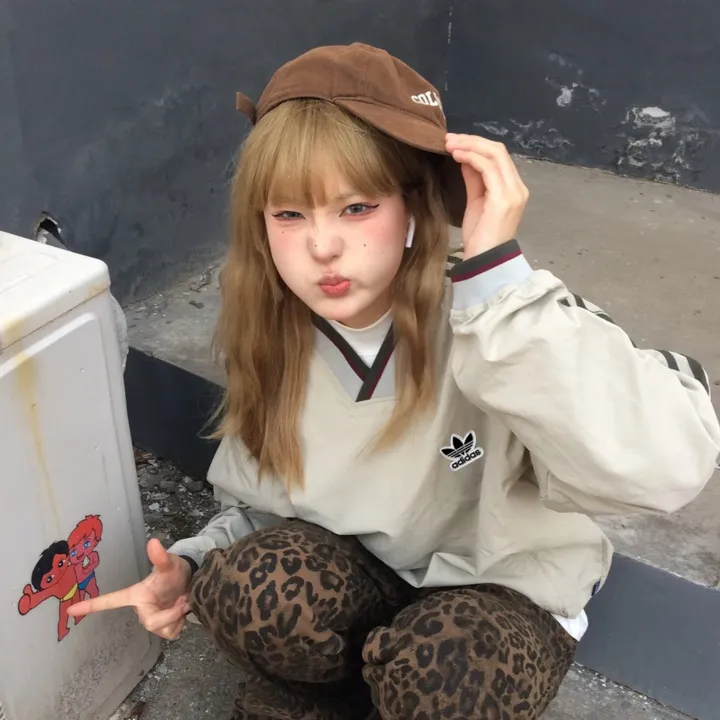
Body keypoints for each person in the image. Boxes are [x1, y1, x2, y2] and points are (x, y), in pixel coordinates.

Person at [69, 43, 720, 719]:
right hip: (364, 583)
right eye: (289, 214)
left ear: (413, 204)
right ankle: (324, 699)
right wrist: (194, 567)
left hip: (496, 593)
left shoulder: (509, 318)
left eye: (356, 207)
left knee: (448, 674)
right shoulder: (277, 335)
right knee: (250, 585)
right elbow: (263, 507)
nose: (323, 246)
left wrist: (502, 283)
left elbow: (666, 468)